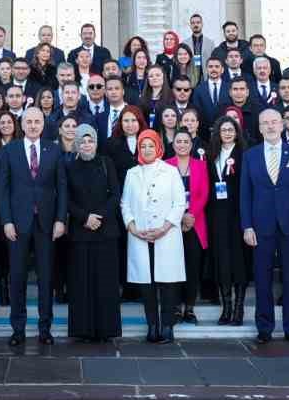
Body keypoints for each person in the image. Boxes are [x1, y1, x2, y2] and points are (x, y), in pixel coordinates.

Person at [240, 107, 289, 344]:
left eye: (274, 122)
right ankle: (264, 327)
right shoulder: (250, 155)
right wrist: (247, 226)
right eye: (265, 123)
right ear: (259, 128)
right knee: (262, 278)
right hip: (260, 226)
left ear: (282, 125)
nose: (270, 126)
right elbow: (245, 194)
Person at [0, 107, 68, 346]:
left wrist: (60, 220)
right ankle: (17, 329)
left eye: (38, 121)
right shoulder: (9, 151)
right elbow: (3, 190)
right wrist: (6, 221)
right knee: (16, 277)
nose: (34, 125)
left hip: (47, 224)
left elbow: (62, 188)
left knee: (46, 278)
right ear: (22, 124)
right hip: (17, 223)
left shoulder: (54, 150)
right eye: (29, 121)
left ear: (43, 124)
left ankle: (44, 328)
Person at [121, 130, 185, 343]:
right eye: (142, 146)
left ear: (158, 147)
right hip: (140, 236)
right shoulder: (132, 173)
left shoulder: (170, 171)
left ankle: (167, 326)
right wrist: (132, 227)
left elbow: (179, 203)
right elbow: (125, 204)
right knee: (146, 285)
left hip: (166, 235)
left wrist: (165, 228)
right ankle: (152, 325)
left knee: (167, 283)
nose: (146, 150)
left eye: (150, 145)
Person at [64, 124, 121, 342]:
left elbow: (115, 195)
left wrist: (99, 216)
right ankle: (83, 330)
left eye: (91, 140)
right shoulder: (69, 167)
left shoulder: (106, 163)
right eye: (83, 141)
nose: (87, 145)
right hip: (81, 232)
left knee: (105, 283)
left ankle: (106, 330)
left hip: (105, 232)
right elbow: (67, 198)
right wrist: (85, 218)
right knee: (82, 283)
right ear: (77, 143)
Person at [205, 116, 248, 326]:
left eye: (231, 129)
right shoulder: (212, 154)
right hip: (217, 215)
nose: (228, 133)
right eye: (224, 130)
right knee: (221, 261)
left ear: (236, 132)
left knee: (238, 262)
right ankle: (227, 307)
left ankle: (239, 308)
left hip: (238, 213)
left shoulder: (244, 155)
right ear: (218, 133)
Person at [166, 128, 209, 324]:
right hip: (172, 224)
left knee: (192, 266)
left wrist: (191, 215)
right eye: (178, 141)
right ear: (173, 145)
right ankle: (175, 307)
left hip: (195, 222)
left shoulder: (200, 166)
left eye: (186, 142)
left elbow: (204, 193)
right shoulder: (166, 166)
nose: (182, 145)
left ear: (191, 145)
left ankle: (189, 308)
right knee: (173, 266)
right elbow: (164, 196)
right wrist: (179, 216)